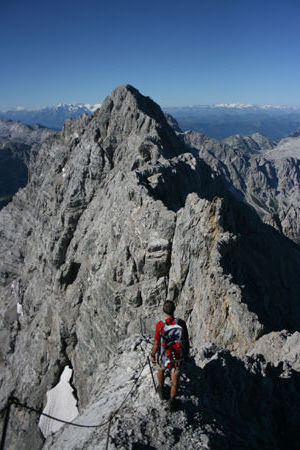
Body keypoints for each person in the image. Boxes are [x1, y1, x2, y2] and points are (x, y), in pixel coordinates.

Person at [150, 300, 190, 410]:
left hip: (164, 355)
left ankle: (161, 389)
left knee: (160, 368)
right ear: (174, 310)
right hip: (177, 357)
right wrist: (186, 354)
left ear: (163, 311)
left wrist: (152, 354)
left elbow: (156, 342)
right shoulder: (181, 323)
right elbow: (186, 340)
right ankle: (172, 402)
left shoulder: (160, 325)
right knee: (175, 380)